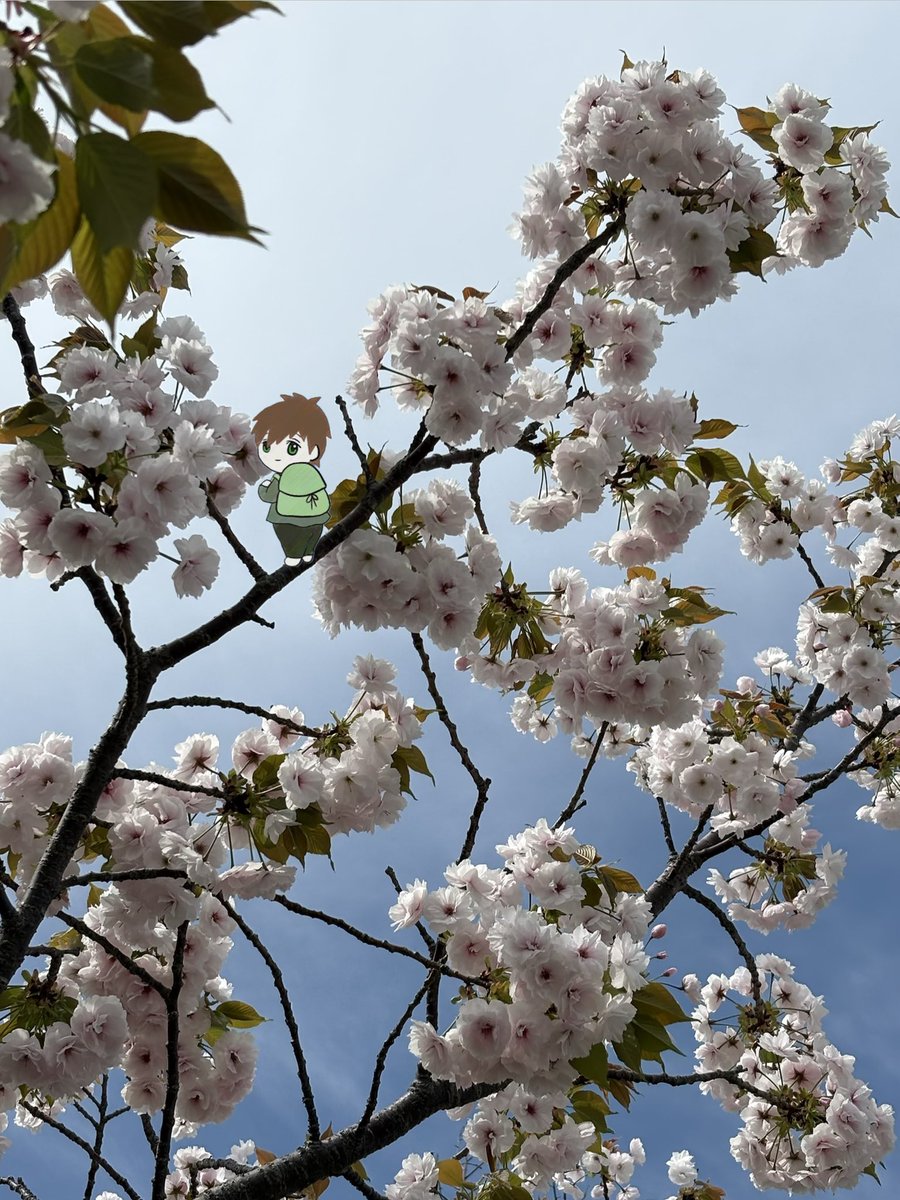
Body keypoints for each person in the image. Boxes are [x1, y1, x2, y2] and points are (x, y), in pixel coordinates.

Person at [252, 393, 331, 565]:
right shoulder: (311, 475)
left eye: (292, 448)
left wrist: (263, 488)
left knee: (287, 535)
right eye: (266, 446)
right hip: (315, 519)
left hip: (285, 519)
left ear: (313, 452)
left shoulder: (279, 478)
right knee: (311, 533)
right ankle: (309, 550)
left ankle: (294, 556)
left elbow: (269, 495)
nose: (277, 456)